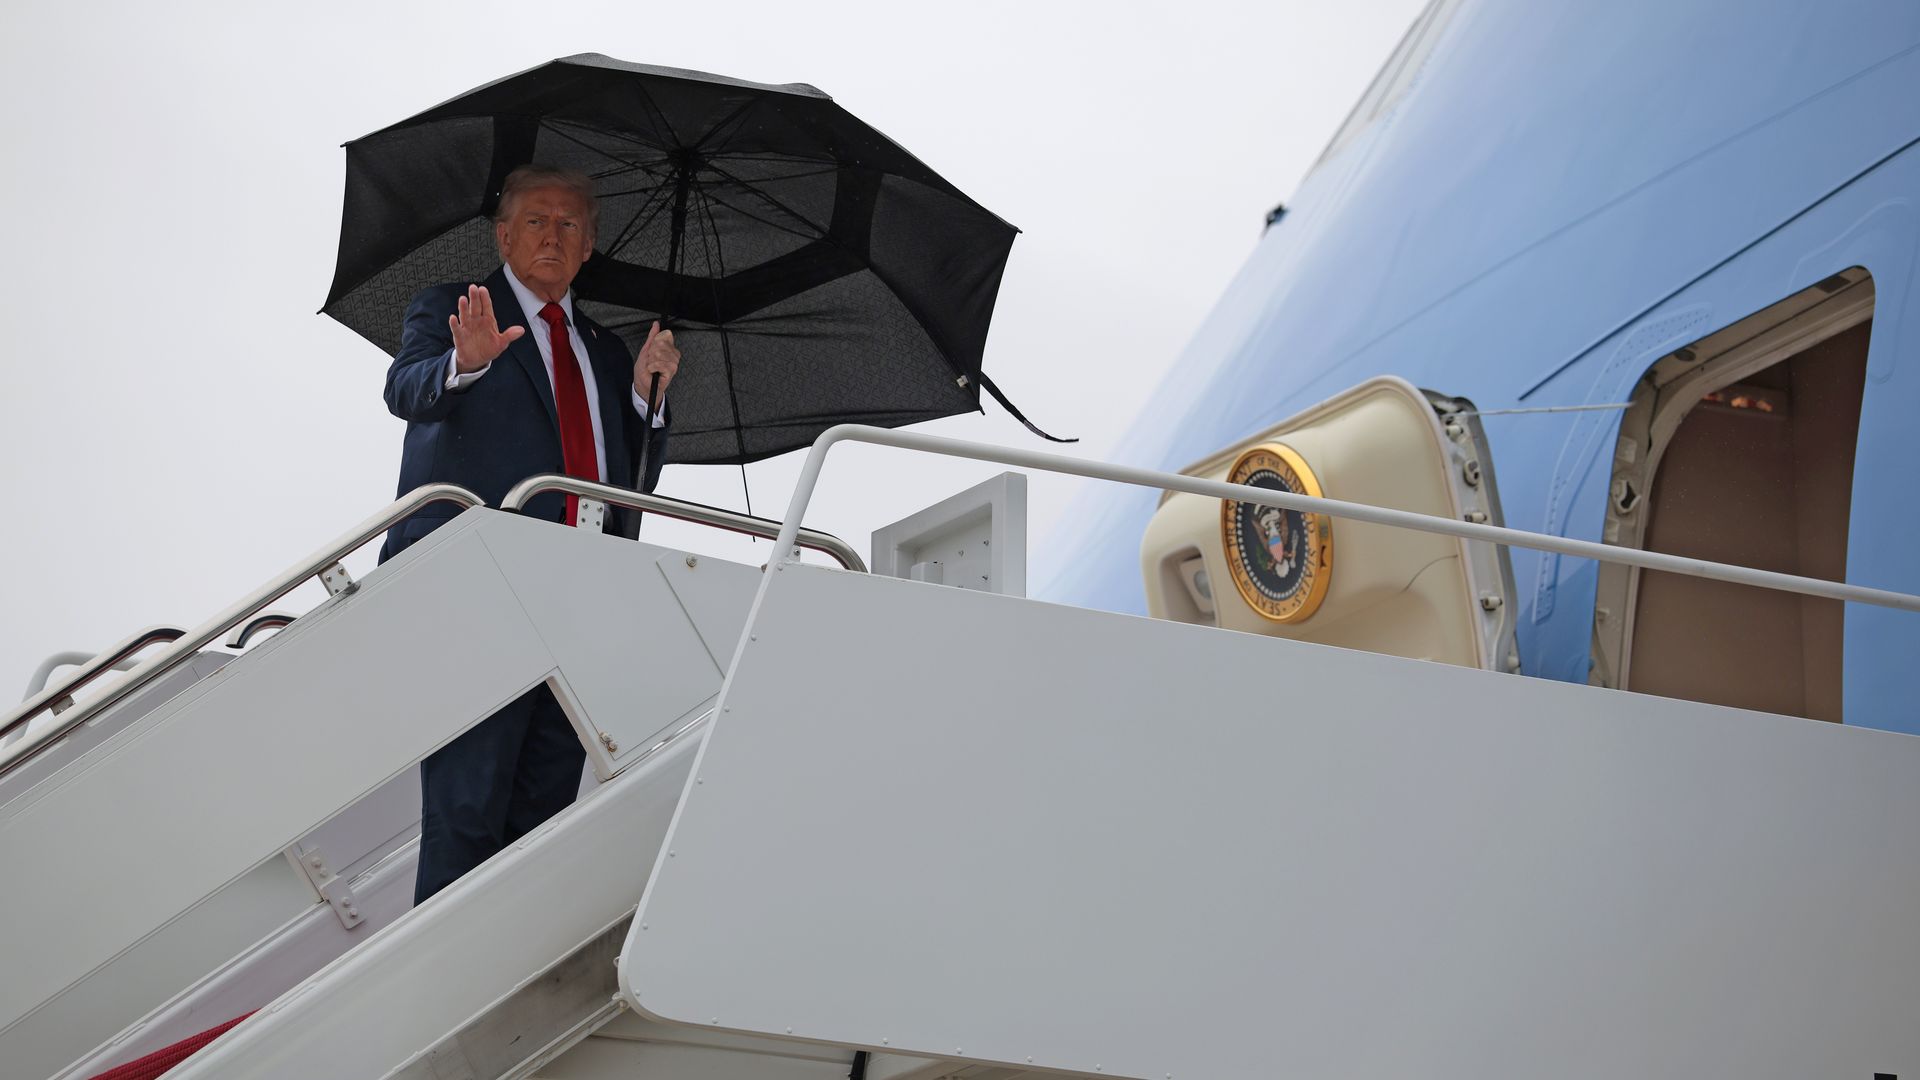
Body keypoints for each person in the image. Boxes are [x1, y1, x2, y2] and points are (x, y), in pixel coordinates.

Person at [379, 163, 682, 903]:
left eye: (570, 223)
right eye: (538, 220)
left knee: (544, 813)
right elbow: (404, 391)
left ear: (589, 246)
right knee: (468, 806)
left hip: (580, 598)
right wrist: (466, 361)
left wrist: (649, 400)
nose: (554, 234)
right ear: (504, 234)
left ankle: (500, 982)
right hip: (480, 585)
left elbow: (628, 481)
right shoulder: (450, 306)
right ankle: (444, 986)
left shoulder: (609, 351)